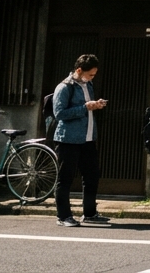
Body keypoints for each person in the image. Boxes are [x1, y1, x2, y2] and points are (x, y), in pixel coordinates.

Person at [52, 54, 111, 228]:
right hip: (68, 139)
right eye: (90, 74)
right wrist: (85, 107)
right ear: (79, 70)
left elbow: (87, 107)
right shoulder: (64, 87)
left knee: (92, 176)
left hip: (88, 138)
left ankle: (90, 213)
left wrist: (96, 105)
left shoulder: (88, 85)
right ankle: (63, 216)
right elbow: (59, 113)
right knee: (65, 178)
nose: (92, 77)